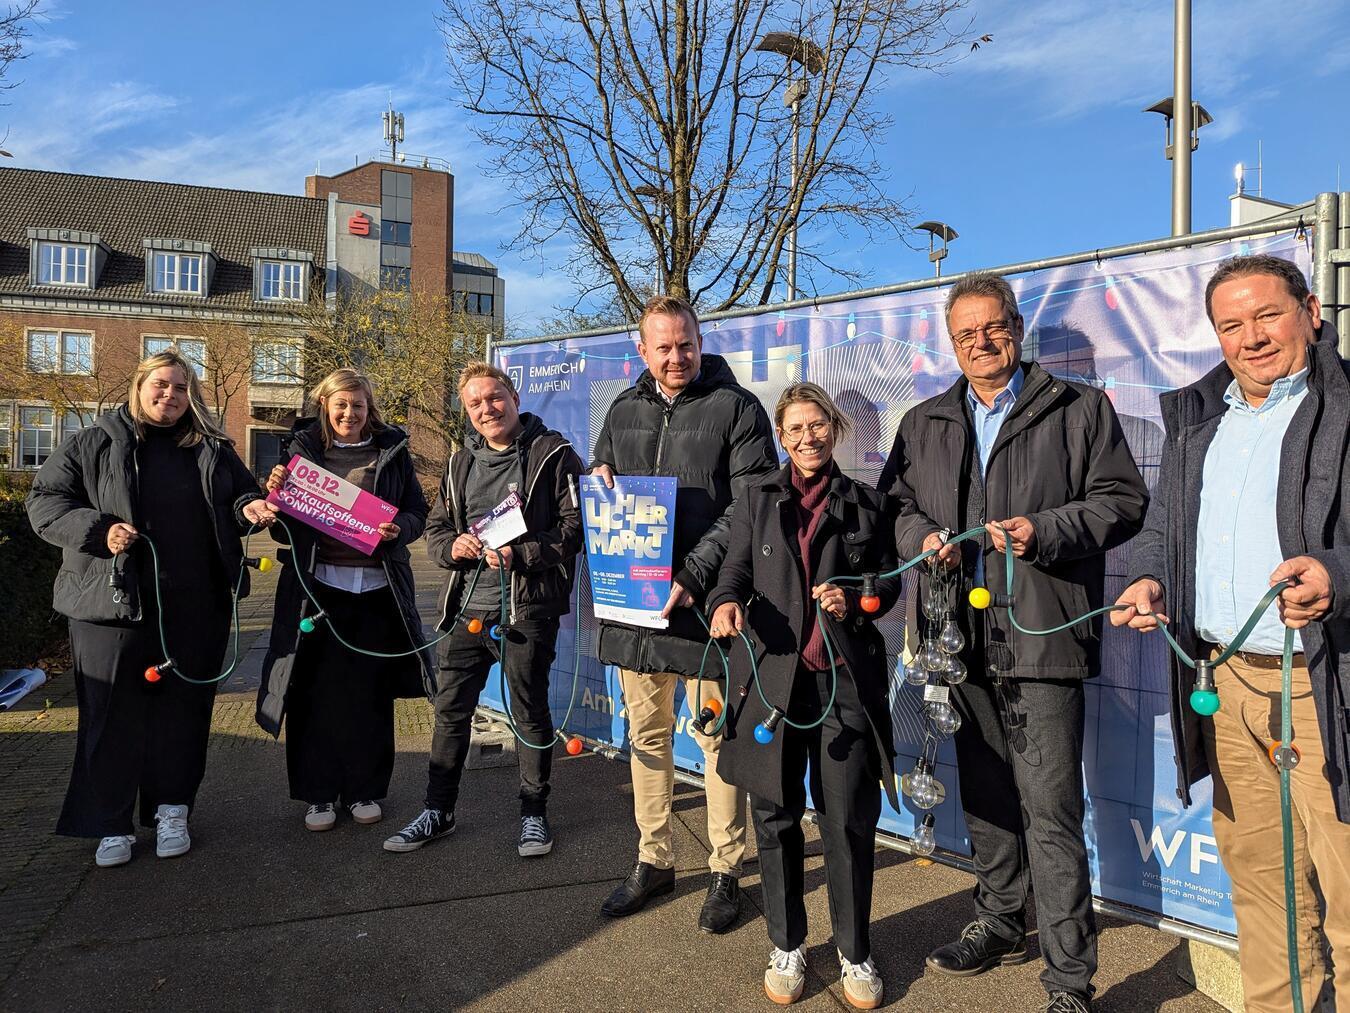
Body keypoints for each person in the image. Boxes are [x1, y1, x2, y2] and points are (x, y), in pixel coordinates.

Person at [880, 272, 1148, 1013]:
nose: (981, 342)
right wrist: (922, 536)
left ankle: (1069, 980)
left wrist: (1047, 530)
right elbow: (896, 504)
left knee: (1050, 812)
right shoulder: (927, 418)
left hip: (1041, 636)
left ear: (1017, 326)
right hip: (955, 638)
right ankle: (999, 920)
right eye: (966, 333)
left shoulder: (1077, 407)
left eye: (992, 327)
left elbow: (1123, 499)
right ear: (952, 340)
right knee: (990, 800)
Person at [1113, 255, 1350, 1012]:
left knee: (1347, 886)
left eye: (1268, 314)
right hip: (1228, 678)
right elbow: (1161, 530)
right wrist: (1150, 575)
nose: (1252, 337)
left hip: (1323, 682)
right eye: (1231, 324)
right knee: (1263, 883)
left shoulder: (1346, 407)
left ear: (1311, 311)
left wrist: (1337, 574)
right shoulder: (1198, 426)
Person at [26, 350, 276, 866]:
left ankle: (172, 807)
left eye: (181, 388)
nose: (170, 396)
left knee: (184, 712)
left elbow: (241, 496)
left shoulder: (211, 446)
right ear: (139, 386)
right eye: (161, 385)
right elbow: (45, 501)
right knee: (112, 713)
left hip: (196, 604)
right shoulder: (94, 441)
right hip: (109, 605)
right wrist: (97, 530)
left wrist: (249, 508)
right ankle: (110, 822)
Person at [707, 383, 899, 1009]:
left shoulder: (867, 504)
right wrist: (726, 602)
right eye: (795, 429)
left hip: (841, 680)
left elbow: (886, 588)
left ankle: (855, 953)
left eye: (817, 426)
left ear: (834, 430)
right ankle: (786, 944)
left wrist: (856, 597)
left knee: (846, 821)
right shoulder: (756, 497)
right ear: (781, 437)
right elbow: (732, 570)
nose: (807, 438)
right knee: (775, 816)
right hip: (770, 678)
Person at [591, 294, 779, 933]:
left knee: (714, 739)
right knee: (644, 735)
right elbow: (603, 474)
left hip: (705, 608)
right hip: (636, 610)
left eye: (686, 345)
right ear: (640, 350)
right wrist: (598, 478)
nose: (676, 358)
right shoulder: (622, 409)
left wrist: (696, 576)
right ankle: (654, 858)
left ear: (701, 342)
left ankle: (726, 867)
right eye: (663, 347)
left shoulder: (739, 409)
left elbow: (750, 506)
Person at [384, 362, 583, 857]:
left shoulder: (554, 455)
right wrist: (453, 549)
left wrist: (523, 554)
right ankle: (438, 810)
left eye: (494, 398)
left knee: (529, 712)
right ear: (466, 411)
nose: (486, 409)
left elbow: (574, 529)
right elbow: (435, 533)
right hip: (464, 609)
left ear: (514, 397)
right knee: (450, 712)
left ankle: (534, 815)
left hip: (525, 610)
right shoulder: (457, 464)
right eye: (475, 404)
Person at [255, 368, 431, 833]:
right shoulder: (300, 453)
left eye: (358, 405)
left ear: (369, 409)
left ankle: (364, 789)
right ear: (325, 408)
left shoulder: (392, 453)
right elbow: (280, 528)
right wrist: (275, 499)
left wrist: (399, 531)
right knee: (313, 693)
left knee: (369, 694)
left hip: (376, 591)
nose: (349, 413)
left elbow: (417, 512)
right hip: (317, 590)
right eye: (341, 405)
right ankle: (318, 795)